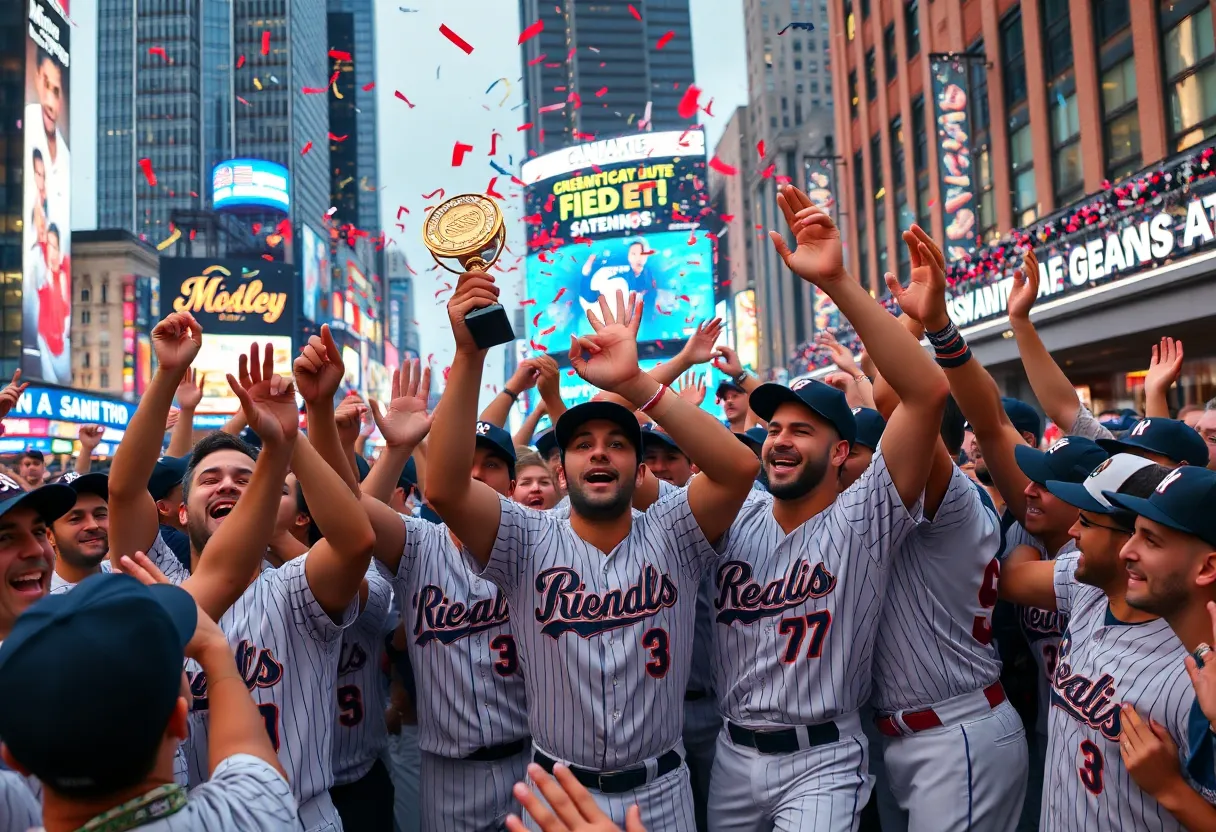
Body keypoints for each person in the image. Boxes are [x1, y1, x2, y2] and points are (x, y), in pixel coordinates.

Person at [427, 277, 759, 827]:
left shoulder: (674, 529)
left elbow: (739, 468)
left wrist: (635, 382)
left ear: (638, 466)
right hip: (558, 793)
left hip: (661, 789)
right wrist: (469, 355)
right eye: (582, 444)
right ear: (563, 468)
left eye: (617, 444)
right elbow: (443, 488)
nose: (599, 453)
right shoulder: (524, 538)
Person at [706, 189, 948, 830]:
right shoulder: (734, 514)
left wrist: (838, 282)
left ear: (841, 450)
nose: (780, 439)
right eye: (774, 427)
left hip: (823, 757)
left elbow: (925, 395)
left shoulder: (864, 516)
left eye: (801, 430)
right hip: (730, 755)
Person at [108, 314, 375, 832]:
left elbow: (355, 541)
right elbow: (123, 491)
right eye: (209, 479)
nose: (227, 486)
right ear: (179, 511)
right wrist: (165, 376)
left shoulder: (295, 585)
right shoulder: (156, 577)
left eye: (245, 480)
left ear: (271, 498)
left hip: (301, 814)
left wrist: (288, 439)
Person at [860, 230, 1030, 831]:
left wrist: (921, 324)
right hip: (930, 731)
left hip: (956, 731)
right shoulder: (951, 494)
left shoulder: (952, 493)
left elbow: (893, 395)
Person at [358, 357, 533, 832]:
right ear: (437, 485)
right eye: (465, 463)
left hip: (531, 761)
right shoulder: (417, 543)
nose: (475, 474)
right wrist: (396, 450)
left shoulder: (539, 539)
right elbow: (356, 520)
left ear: (513, 485)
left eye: (492, 465)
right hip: (447, 771)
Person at [997, 455, 1214, 830]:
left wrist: (1171, 790)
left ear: (1207, 567)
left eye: (1151, 540)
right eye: (1134, 533)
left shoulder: (1202, 687)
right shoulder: (1093, 593)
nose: (1128, 551)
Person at [0, 567, 300, 830]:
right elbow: (249, 755)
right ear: (178, 720)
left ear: (13, 758)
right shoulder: (249, 817)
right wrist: (213, 649)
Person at [292, 327, 396, 831]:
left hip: (359, 781)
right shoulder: (239, 580)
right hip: (281, 797)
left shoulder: (366, 575)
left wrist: (313, 419)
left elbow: (352, 530)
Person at [48, 471, 111, 593]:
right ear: (50, 536)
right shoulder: (36, 602)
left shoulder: (128, 575)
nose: (93, 525)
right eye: (75, 519)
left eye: (100, 515)